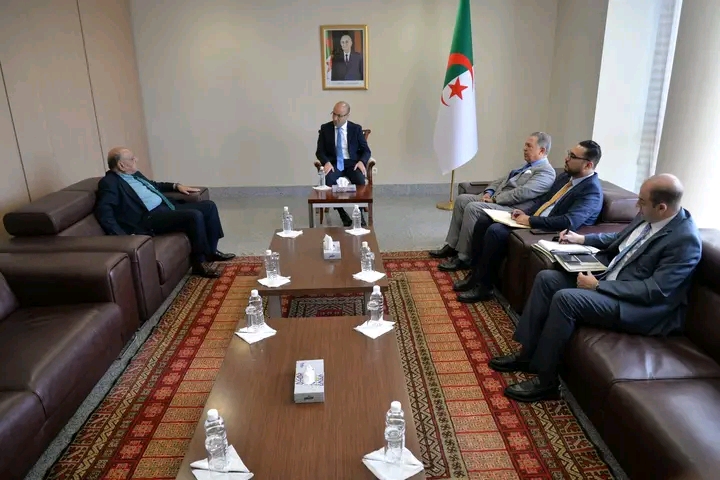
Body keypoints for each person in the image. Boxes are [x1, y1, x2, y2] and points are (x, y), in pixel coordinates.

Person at [490, 174, 702, 402]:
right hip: (611, 279)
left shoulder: (684, 240)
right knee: (547, 278)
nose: (637, 206)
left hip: (638, 307)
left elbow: (654, 290)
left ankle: (546, 382)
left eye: (641, 201)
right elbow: (621, 238)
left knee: (566, 299)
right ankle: (527, 354)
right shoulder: (648, 216)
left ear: (661, 207)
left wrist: (599, 285)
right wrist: (581, 239)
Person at [456, 140, 604, 303]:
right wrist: (524, 213)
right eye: (569, 153)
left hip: (550, 231)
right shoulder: (566, 177)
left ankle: (484, 287)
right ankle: (475, 275)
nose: (566, 158)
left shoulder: (591, 191)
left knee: (496, 231)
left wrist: (531, 221)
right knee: (484, 219)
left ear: (588, 165)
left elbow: (568, 222)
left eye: (573, 156)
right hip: (536, 219)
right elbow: (543, 200)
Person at [94, 147, 235, 278]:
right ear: (121, 165)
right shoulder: (109, 182)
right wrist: (122, 236)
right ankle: (199, 263)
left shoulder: (135, 174)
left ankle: (211, 251)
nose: (136, 159)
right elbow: (104, 211)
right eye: (132, 158)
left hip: (166, 206)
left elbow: (154, 185)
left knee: (209, 206)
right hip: (148, 218)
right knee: (194, 216)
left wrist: (176, 186)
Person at [429, 132, 556, 271]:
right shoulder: (525, 166)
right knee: (461, 200)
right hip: (495, 198)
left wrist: (495, 199)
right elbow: (500, 181)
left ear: (541, 150)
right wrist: (488, 192)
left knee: (472, 208)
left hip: (511, 207)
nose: (524, 148)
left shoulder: (546, 172)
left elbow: (522, 193)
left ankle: (464, 257)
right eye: (525, 145)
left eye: (529, 146)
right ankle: (452, 246)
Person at [315, 101, 372, 226]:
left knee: (360, 179)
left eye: (339, 115)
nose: (335, 118)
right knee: (329, 180)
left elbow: (366, 150)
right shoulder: (325, 128)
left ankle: (359, 212)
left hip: (352, 163)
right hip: (334, 163)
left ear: (347, 116)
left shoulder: (356, 129)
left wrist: (362, 161)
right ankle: (341, 212)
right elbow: (319, 151)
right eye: (333, 114)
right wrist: (326, 162)